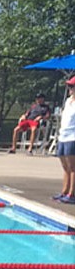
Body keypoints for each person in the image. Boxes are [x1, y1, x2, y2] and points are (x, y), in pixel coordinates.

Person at [54, 75, 75, 204]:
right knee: (65, 166)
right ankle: (64, 191)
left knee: (73, 167)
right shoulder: (68, 101)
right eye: (69, 86)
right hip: (63, 135)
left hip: (73, 136)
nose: (69, 89)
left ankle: (72, 194)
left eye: (72, 87)